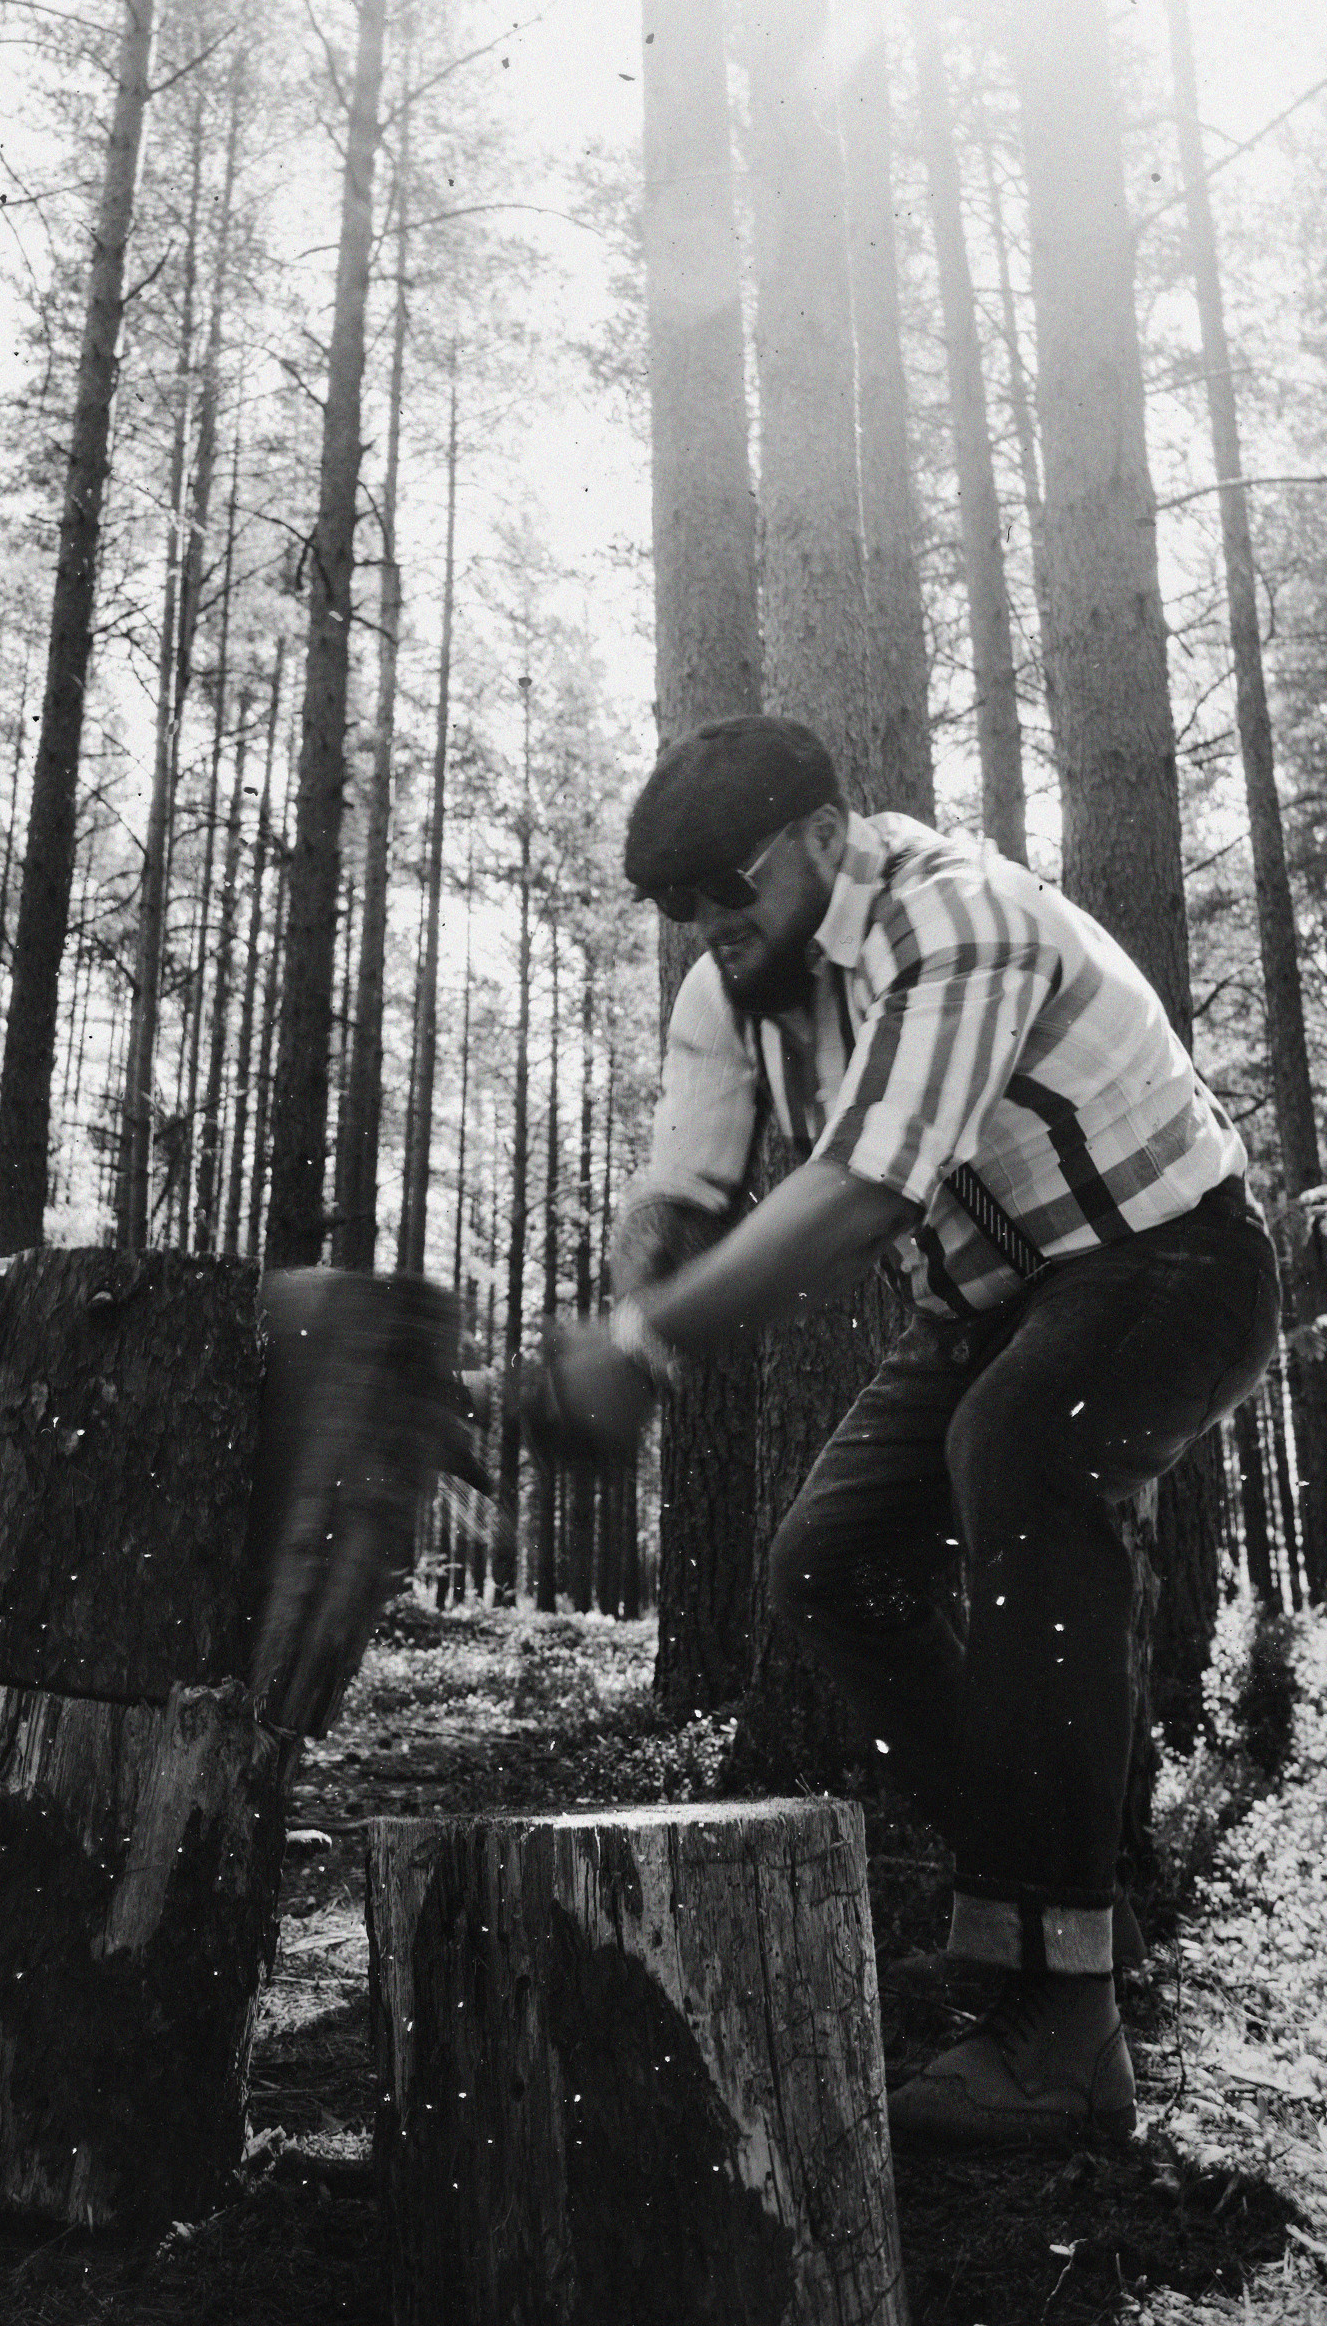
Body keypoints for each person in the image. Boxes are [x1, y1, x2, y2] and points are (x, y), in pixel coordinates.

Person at [524, 714, 1280, 2151]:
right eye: (673, 903)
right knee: (834, 1566)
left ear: (821, 838)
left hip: (1170, 1259)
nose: (703, 925)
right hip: (988, 1308)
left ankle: (1066, 2035)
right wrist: (628, 1305)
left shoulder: (960, 918)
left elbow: (868, 1188)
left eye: (723, 887)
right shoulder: (731, 988)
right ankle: (1042, 1909)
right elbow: (686, 1184)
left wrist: (644, 1346)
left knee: (1029, 1452)